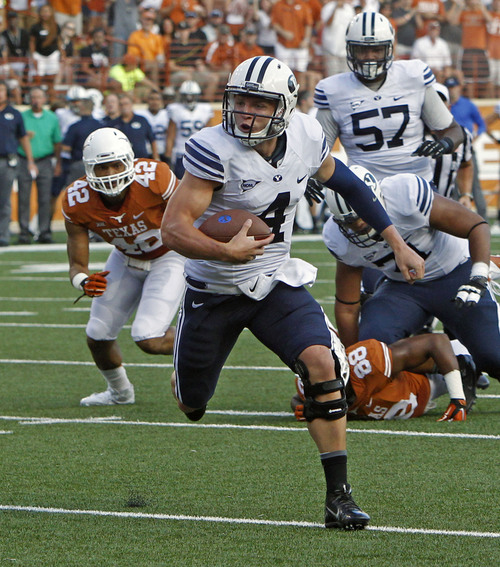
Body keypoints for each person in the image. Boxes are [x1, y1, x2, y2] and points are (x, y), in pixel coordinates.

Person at [161, 56, 426, 530]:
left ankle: (339, 498)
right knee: (191, 404)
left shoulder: (305, 134)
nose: (246, 112)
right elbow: (173, 228)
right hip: (214, 288)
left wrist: (396, 241)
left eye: (259, 104)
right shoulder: (213, 149)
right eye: (240, 100)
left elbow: (347, 183)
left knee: (322, 366)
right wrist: (225, 252)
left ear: (284, 107)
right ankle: (191, 374)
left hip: (274, 280)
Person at [323, 164, 500, 380]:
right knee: (374, 350)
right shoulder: (337, 237)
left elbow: (476, 226)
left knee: (493, 357)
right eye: (350, 221)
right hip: (403, 288)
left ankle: (469, 354)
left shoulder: (404, 195)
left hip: (455, 273)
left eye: (363, 215)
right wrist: (353, 361)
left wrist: (478, 276)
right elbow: (347, 307)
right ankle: (458, 363)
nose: (359, 225)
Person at [62, 127, 186, 406]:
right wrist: (83, 281)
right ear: (88, 169)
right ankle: (120, 393)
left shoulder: (155, 178)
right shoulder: (76, 200)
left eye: (116, 164)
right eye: (101, 167)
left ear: (129, 160)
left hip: (169, 256)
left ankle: (206, 345)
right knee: (97, 334)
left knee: (148, 337)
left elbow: (192, 213)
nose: (110, 173)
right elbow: (77, 265)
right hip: (124, 258)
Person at [314, 11, 464, 183]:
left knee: (452, 203)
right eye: (362, 50)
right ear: (350, 50)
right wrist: (312, 177)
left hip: (416, 182)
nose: (369, 57)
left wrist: (444, 144)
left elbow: (453, 130)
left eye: (377, 50)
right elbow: (317, 152)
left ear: (389, 49)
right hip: (364, 188)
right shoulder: (334, 90)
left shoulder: (413, 76)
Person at [292, 333, 478, 422]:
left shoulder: (367, 364)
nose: (326, 396)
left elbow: (436, 341)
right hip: (409, 396)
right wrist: (309, 408)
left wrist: (457, 397)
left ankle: (466, 368)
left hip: (427, 382)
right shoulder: (310, 383)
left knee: (485, 357)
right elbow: (297, 401)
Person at [17, 86, 62, 245]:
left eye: (39, 97)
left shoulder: (51, 118)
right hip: (24, 160)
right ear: (30, 99)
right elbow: (15, 136)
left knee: (45, 198)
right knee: (24, 197)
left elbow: (57, 142)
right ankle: (24, 232)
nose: (36, 100)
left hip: (45, 160)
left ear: (44, 99)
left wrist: (58, 163)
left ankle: (44, 231)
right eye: (33, 97)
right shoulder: (22, 117)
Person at [444, 74, 487, 220]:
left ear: (459, 88)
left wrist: (476, 136)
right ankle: (458, 220)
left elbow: (481, 124)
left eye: (453, 87)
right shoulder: (443, 106)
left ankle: (483, 219)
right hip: (451, 151)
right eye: (449, 87)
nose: (452, 90)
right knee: (452, 186)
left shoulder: (468, 105)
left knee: (474, 185)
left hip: (467, 148)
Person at [0, 80, 37, 247]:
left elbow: (23, 138)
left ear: (6, 93)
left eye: (1, 90)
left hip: (7, 161)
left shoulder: (14, 114)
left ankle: (3, 235)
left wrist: (30, 160)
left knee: (4, 200)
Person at [431, 82, 474, 208]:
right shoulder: (411, 134)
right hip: (412, 210)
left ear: (449, 107)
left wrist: (465, 194)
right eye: (432, 100)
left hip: (445, 207)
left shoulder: (462, 135)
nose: (436, 105)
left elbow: (466, 165)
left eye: (441, 101)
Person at [165, 80, 213, 178]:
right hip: (181, 152)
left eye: (192, 96)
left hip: (200, 152)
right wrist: (168, 154)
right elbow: (171, 135)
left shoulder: (205, 109)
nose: (189, 98)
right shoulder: (175, 109)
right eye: (186, 95)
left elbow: (209, 134)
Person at [59, 97, 102, 184]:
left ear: (82, 108)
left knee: (77, 189)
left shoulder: (75, 127)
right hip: (98, 164)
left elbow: (66, 147)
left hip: (79, 164)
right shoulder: (100, 125)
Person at [29, 4, 62, 104]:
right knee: (37, 80)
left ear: (51, 13)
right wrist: (32, 55)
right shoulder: (35, 27)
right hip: (39, 55)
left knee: (51, 81)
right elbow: (32, 42)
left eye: (47, 11)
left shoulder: (56, 26)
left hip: (52, 55)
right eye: (43, 11)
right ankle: (36, 101)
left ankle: (52, 101)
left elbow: (59, 41)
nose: (45, 14)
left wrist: (62, 54)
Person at [113, 93, 159, 159]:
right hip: (122, 159)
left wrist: (156, 158)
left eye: (126, 104)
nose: (124, 106)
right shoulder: (114, 123)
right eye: (121, 104)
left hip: (141, 159)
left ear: (131, 104)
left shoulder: (142, 120)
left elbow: (152, 140)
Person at [136, 89, 170, 163]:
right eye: (152, 99)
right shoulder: (140, 114)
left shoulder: (167, 114)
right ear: (147, 100)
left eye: (157, 99)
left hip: (162, 152)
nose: (154, 102)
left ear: (161, 101)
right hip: (145, 153)